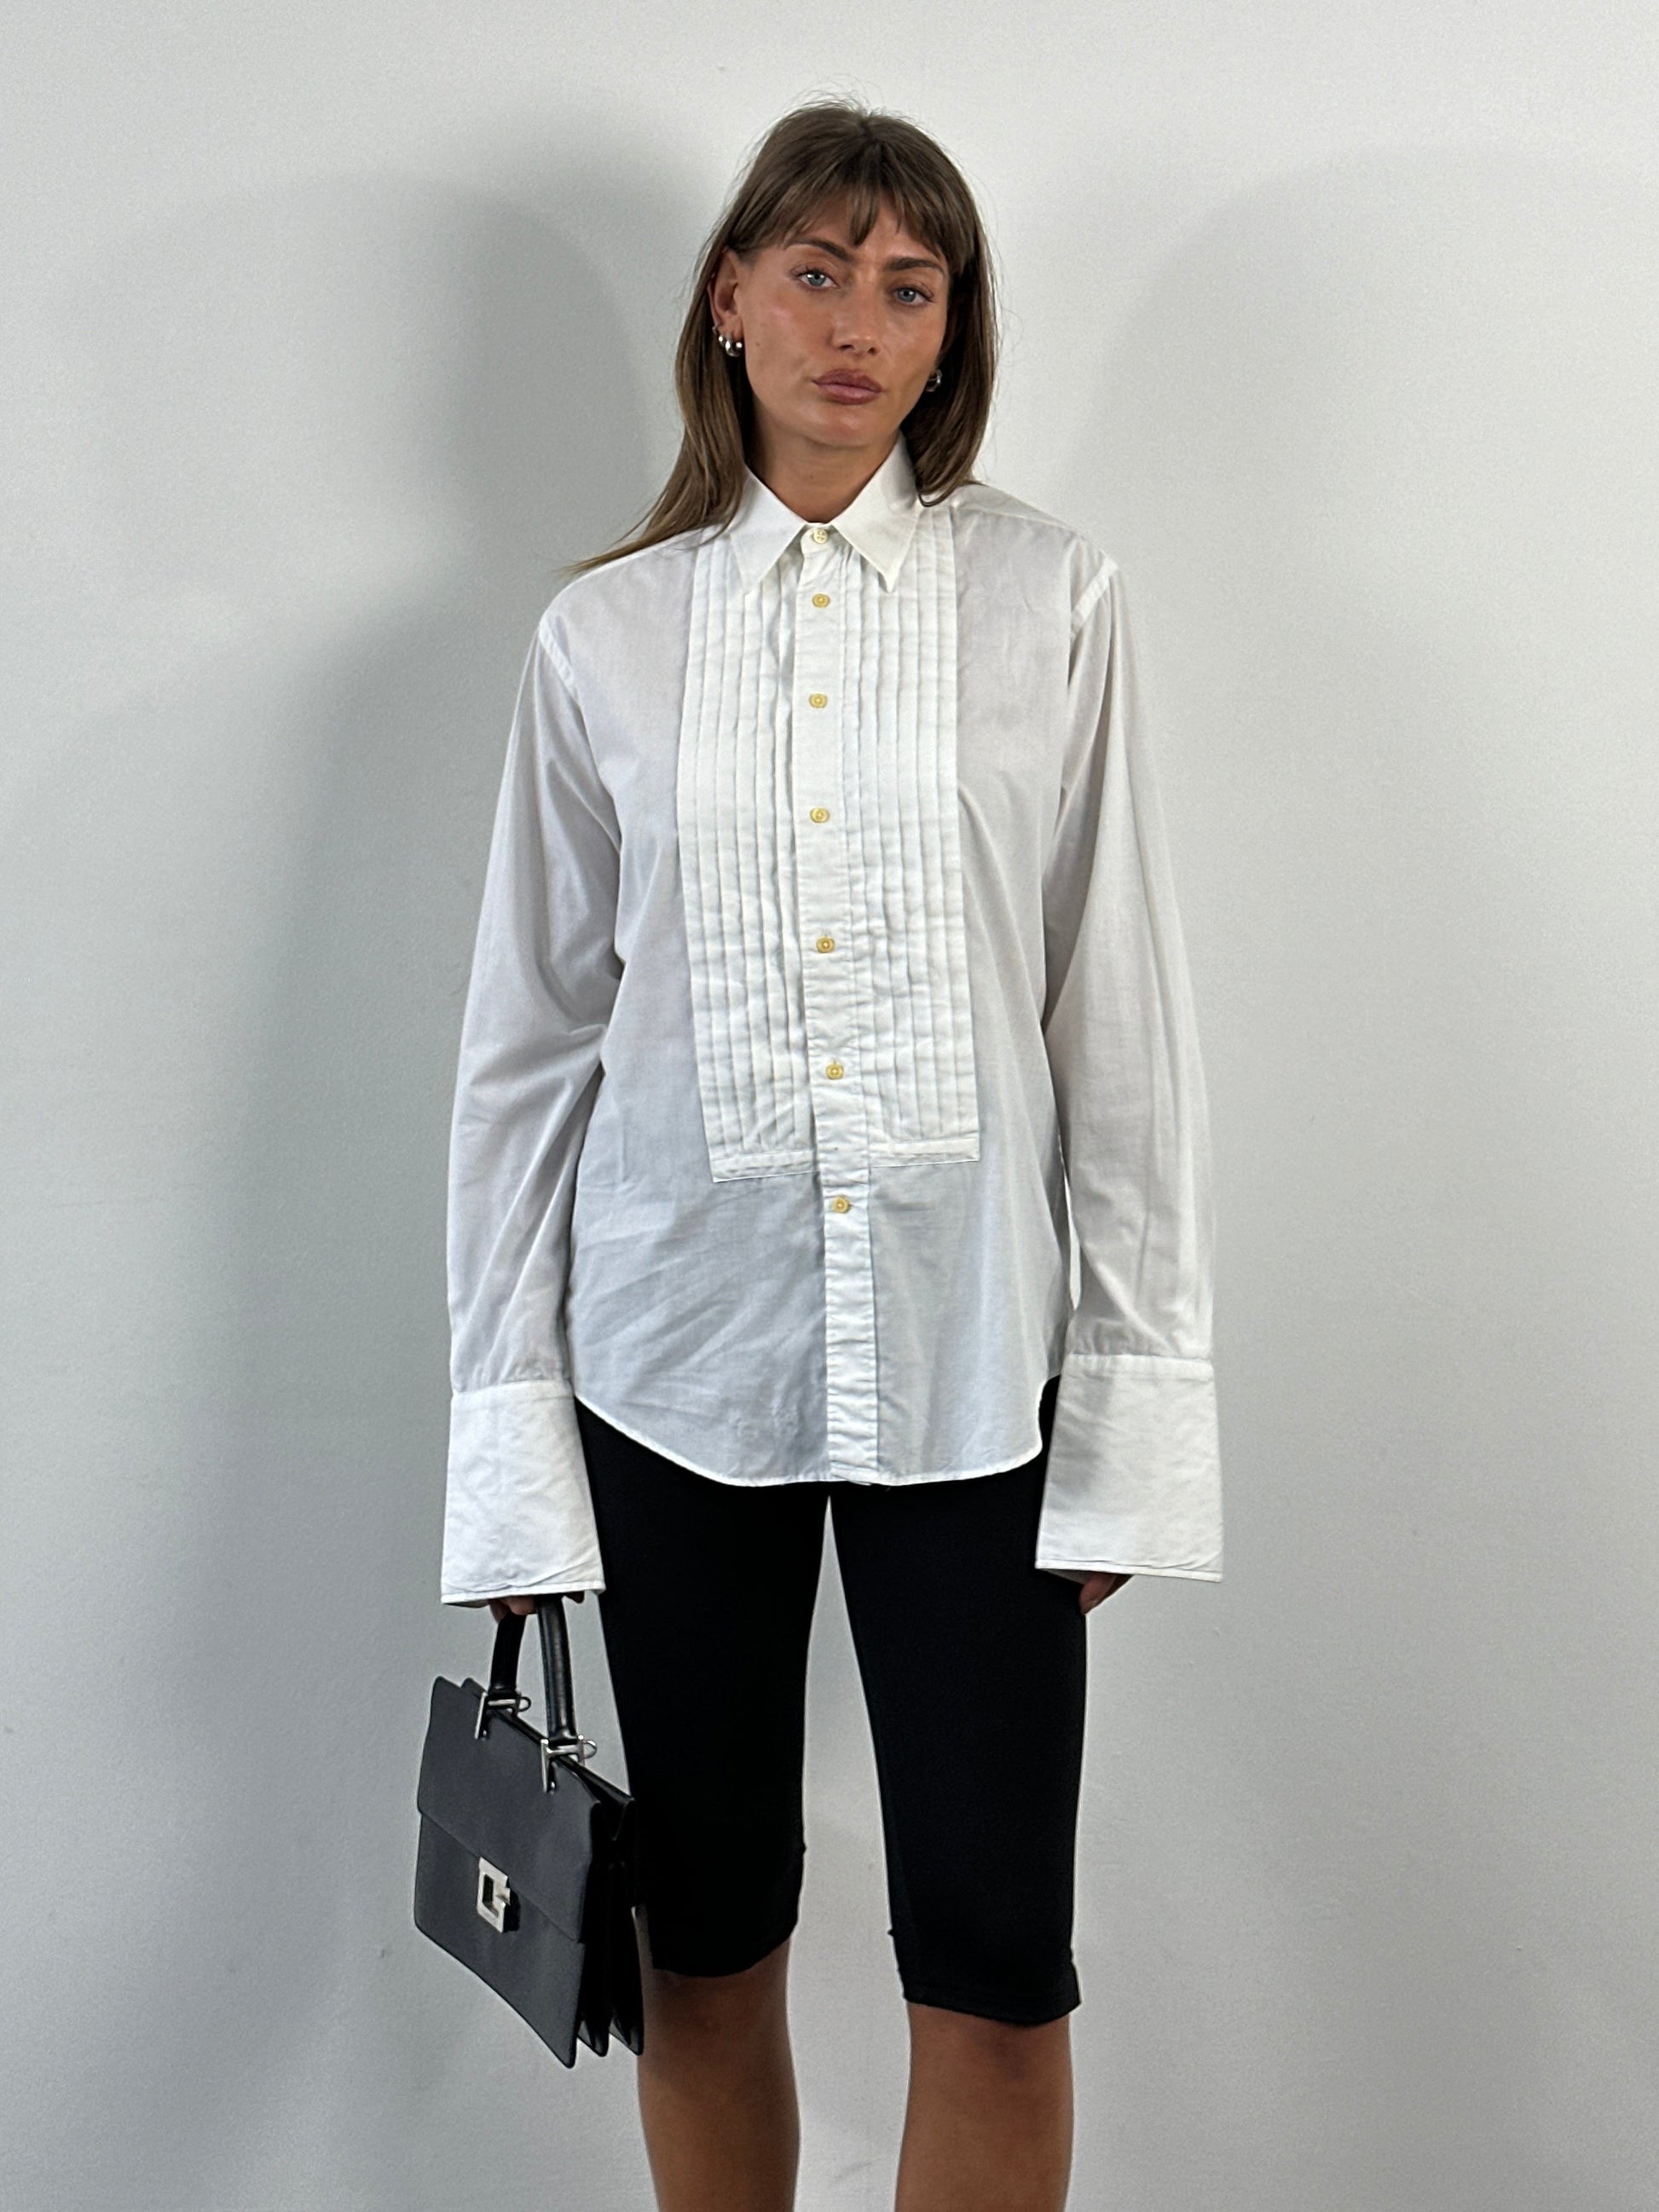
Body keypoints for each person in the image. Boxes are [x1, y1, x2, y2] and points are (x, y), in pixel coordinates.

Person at [438, 97, 1222, 2212]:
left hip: (977, 1381)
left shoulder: (1051, 601)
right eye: (814, 271)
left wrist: (1131, 1412)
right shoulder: (603, 639)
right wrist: (510, 1444)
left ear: (953, 327)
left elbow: (1119, 1022)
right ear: (728, 299)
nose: (858, 324)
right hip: (670, 1374)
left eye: (909, 283)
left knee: (997, 1961)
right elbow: (524, 1064)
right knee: (703, 1937)